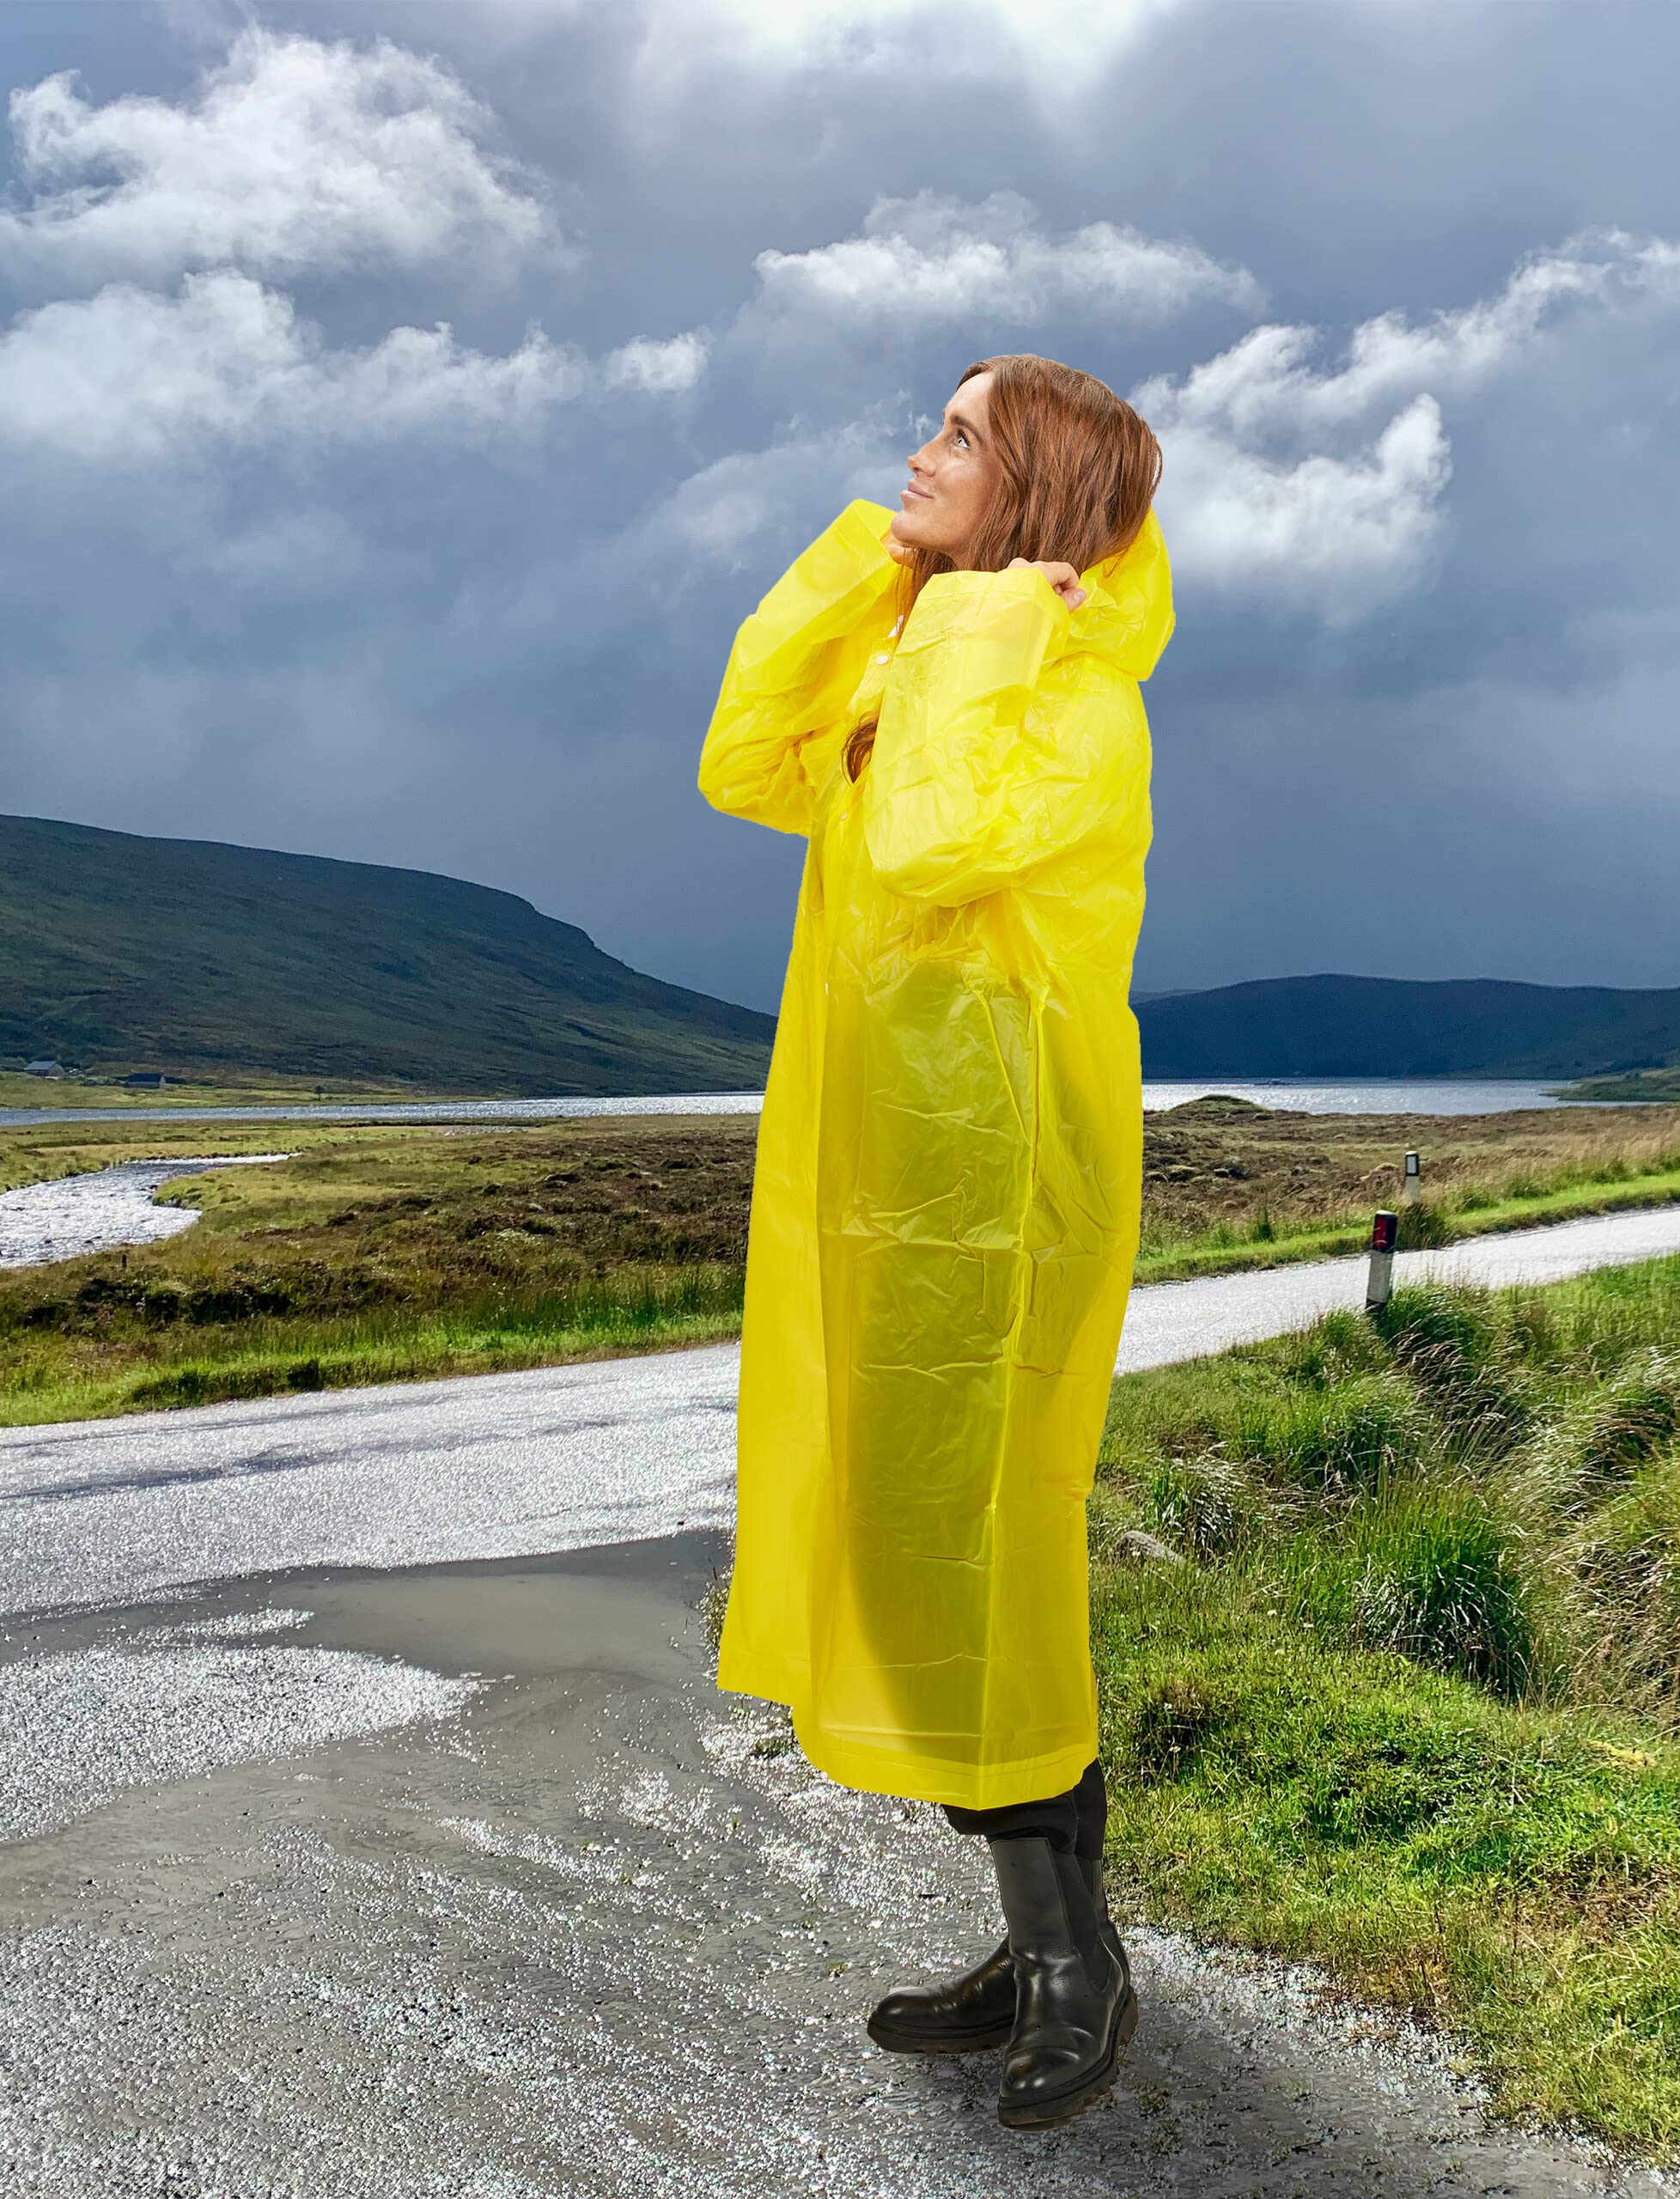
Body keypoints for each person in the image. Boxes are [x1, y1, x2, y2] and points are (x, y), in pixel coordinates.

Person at [697, 354, 1172, 2131]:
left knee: (993, 1570)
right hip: (883, 1178)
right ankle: (1038, 1928)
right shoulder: (933, 667)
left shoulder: (1071, 704)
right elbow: (745, 755)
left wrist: (976, 637)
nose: (917, 446)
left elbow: (923, 840)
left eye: (960, 435)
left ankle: (1075, 1967)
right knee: (914, 1574)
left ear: (1040, 487)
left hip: (1000, 1194)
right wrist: (886, 579)